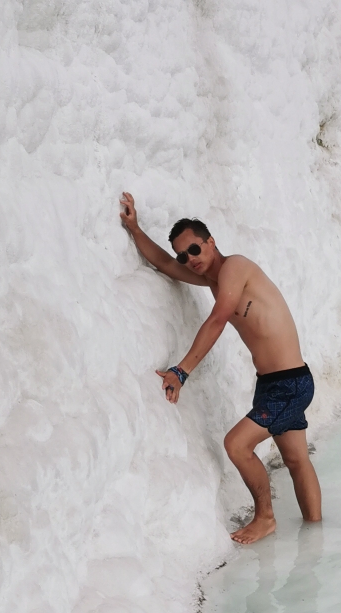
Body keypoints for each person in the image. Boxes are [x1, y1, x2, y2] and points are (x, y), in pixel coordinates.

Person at [118, 194, 322, 544]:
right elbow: (166, 265)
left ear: (210, 241)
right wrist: (134, 229)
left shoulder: (235, 268)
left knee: (236, 445)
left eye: (194, 249)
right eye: (185, 254)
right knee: (296, 461)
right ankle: (316, 538)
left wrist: (181, 371)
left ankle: (266, 518)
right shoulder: (213, 279)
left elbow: (218, 319)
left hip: (291, 383)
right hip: (274, 383)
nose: (189, 259)